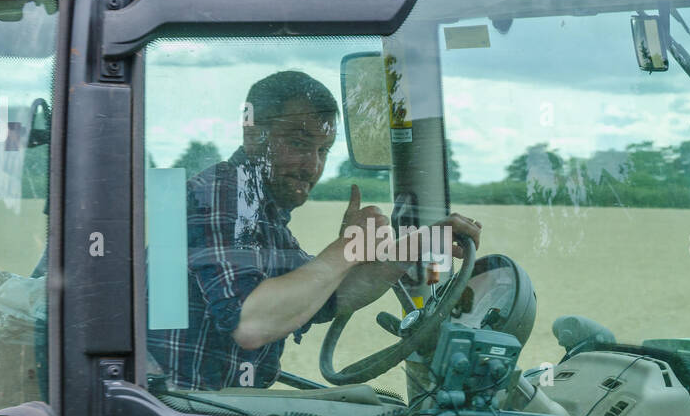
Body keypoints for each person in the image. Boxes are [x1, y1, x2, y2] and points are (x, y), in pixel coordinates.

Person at [147, 69, 481, 391]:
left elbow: (323, 297)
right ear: (252, 135)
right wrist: (347, 249)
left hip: (211, 410)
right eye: (298, 143)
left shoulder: (262, 213)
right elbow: (250, 323)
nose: (313, 166)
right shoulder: (218, 194)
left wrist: (413, 248)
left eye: (323, 150)